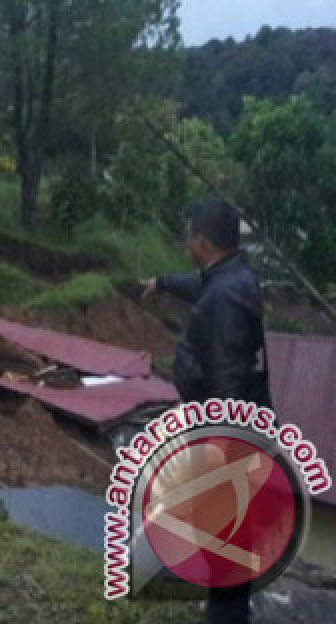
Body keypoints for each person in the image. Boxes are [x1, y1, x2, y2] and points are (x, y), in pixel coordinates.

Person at [142, 198, 271, 624]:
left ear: (200, 240)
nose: (185, 242)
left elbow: (226, 380)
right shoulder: (232, 279)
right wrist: (162, 283)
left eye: (187, 235)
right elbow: (200, 286)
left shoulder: (225, 300)